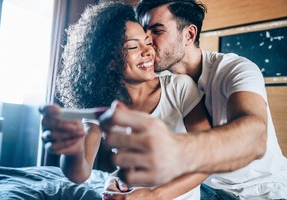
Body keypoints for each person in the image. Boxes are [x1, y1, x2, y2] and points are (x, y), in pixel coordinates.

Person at [99, 0, 287, 199]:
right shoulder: (162, 83)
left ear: (189, 34)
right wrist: (117, 178)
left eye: (157, 31)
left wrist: (178, 147)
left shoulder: (236, 69)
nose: (147, 40)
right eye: (145, 32)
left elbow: (254, 138)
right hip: (204, 189)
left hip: (259, 191)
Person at [40, 2, 212, 199]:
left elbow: (207, 159)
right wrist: (72, 150)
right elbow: (80, 174)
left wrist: (154, 195)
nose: (148, 51)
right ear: (109, 60)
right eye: (132, 46)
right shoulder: (101, 104)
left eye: (148, 42)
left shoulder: (179, 88)